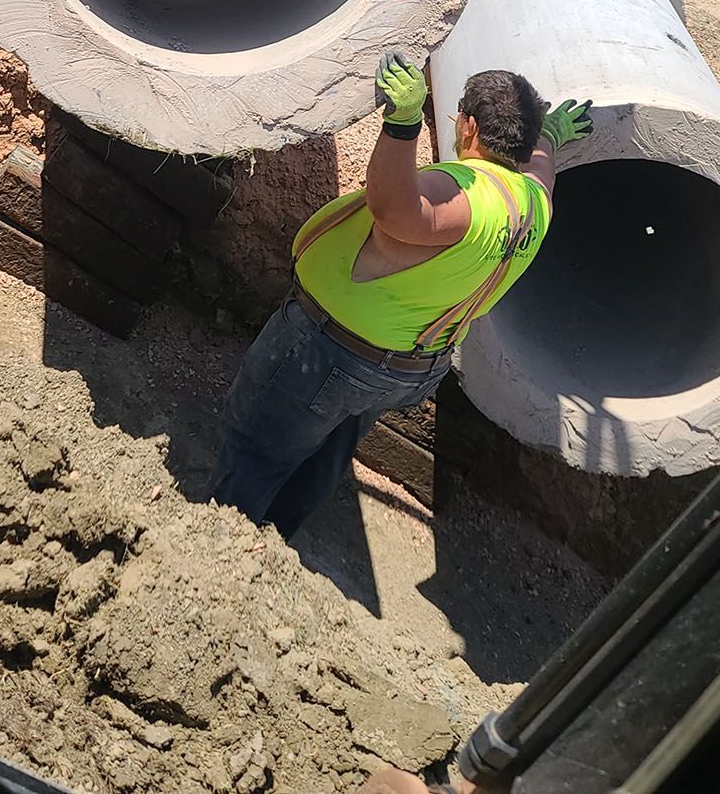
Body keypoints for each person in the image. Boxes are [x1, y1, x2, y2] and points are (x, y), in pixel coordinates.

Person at [209, 53, 591, 541]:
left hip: (331, 355)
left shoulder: (464, 196)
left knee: (256, 450)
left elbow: (394, 209)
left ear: (469, 127)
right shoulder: (534, 201)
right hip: (404, 368)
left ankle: (217, 552)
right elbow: (544, 168)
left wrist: (404, 124)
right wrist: (549, 137)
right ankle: (273, 545)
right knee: (323, 457)